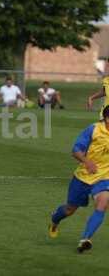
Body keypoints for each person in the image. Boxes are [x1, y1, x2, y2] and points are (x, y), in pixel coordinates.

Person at [48, 105, 109, 253]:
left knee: (102, 203)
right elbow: (76, 150)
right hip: (83, 177)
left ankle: (85, 239)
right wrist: (87, 161)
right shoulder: (93, 129)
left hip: (104, 177)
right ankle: (54, 220)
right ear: (107, 118)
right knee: (69, 210)